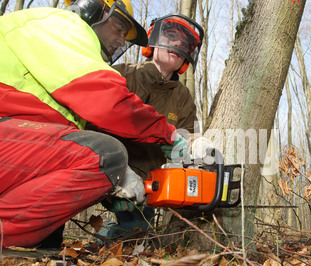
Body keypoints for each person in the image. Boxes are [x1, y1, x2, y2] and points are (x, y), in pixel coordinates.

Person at [0, 0, 188, 248]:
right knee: (107, 155)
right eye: (119, 28)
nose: (122, 40)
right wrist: (168, 135)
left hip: (17, 140)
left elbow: (62, 139)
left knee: (49, 240)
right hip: (9, 138)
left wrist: (119, 178)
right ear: (91, 9)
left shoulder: (182, 97)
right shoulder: (63, 26)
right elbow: (109, 101)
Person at [96, 14, 205, 240]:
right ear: (153, 41)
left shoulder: (182, 98)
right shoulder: (122, 74)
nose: (177, 44)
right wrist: (117, 172)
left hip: (147, 187)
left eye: (184, 43)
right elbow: (88, 120)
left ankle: (109, 234)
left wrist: (191, 147)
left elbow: (190, 137)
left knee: (135, 236)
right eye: (171, 36)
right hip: (102, 169)